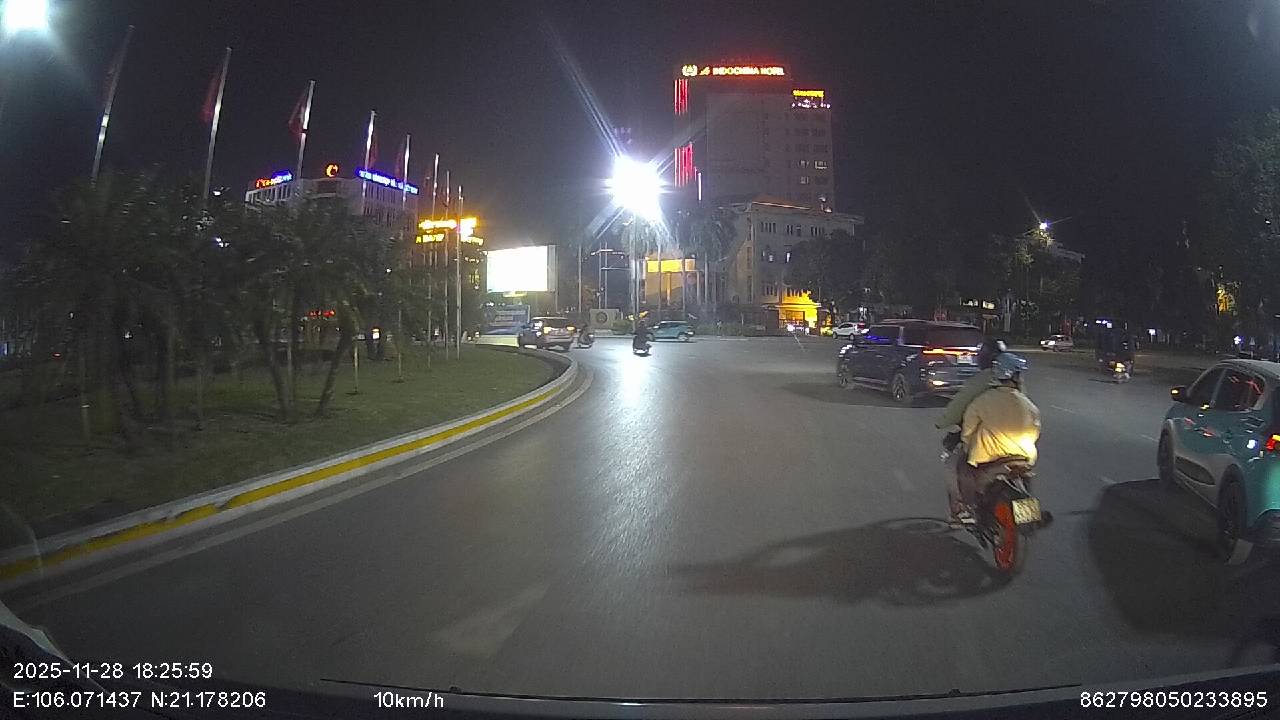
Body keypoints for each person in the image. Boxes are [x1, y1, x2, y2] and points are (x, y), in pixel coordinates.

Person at [951, 353, 1041, 524]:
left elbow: (968, 430)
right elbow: (1035, 431)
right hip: (1023, 457)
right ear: (1014, 376)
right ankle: (1029, 519)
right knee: (1023, 483)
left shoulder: (982, 401)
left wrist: (967, 444)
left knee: (963, 469)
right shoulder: (1028, 404)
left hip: (989, 458)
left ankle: (969, 511)